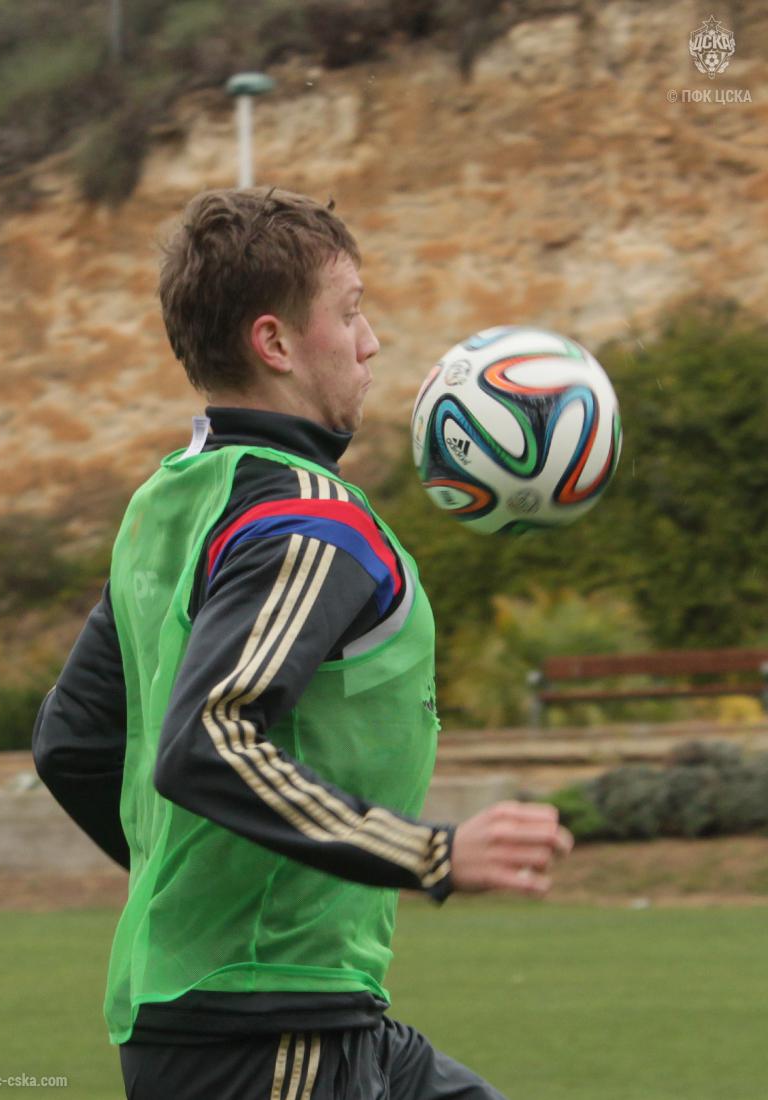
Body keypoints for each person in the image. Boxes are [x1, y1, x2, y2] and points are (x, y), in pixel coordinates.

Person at [33, 186, 573, 1100]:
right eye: (350, 312)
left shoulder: (169, 503)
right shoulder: (310, 523)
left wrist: (203, 883)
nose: (371, 342)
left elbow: (71, 743)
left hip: (281, 1010)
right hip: (267, 1026)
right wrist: (433, 854)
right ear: (275, 343)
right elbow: (210, 740)